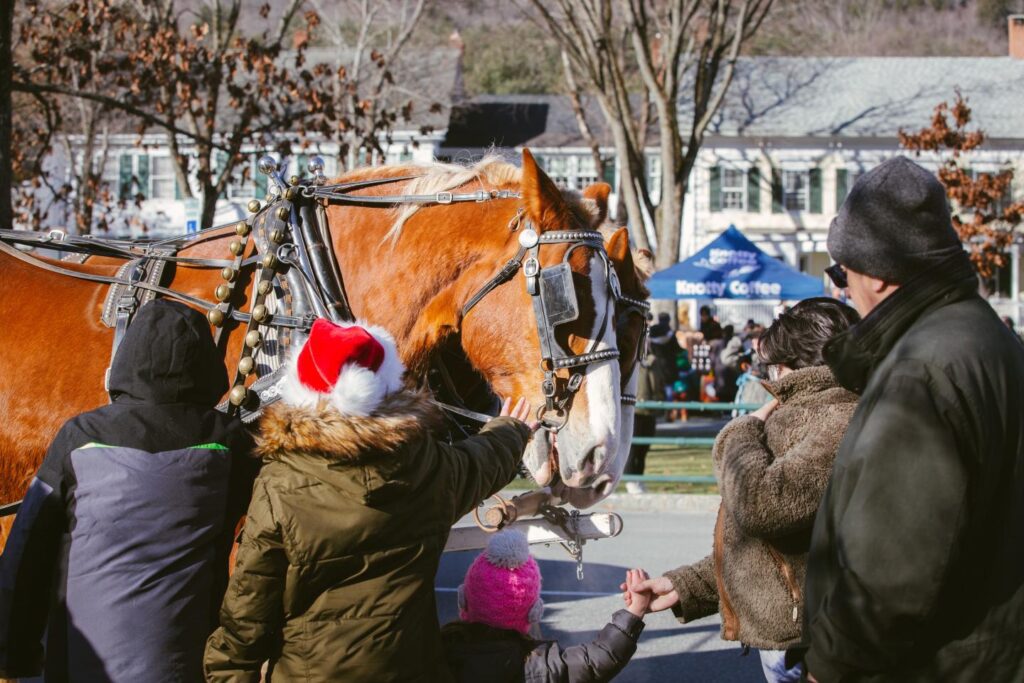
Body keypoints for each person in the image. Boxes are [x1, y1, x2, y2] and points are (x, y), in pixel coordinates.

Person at [204, 318, 534, 682]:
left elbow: (247, 612)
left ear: (304, 386)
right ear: (386, 386)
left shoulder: (281, 484)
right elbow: (480, 463)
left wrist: (229, 673)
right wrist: (512, 431)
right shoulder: (428, 466)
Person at [801, 156, 1024, 681]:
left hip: (935, 663)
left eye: (841, 272)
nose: (840, 288)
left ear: (876, 275)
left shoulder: (921, 371)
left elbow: (889, 576)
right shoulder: (983, 335)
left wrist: (827, 668)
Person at [0, 300, 258, 682]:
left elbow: (28, 549)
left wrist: (13, 655)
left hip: (80, 664)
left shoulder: (81, 436)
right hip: (183, 666)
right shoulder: (229, 443)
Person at [629, 298, 860, 683]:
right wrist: (686, 585)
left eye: (773, 366)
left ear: (793, 364)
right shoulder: (810, 412)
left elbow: (760, 506)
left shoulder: (838, 416)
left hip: (813, 642)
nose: (770, 376)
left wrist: (741, 429)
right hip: (792, 638)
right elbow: (762, 550)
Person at [442, 529, 648, 682]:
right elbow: (597, 660)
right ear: (533, 612)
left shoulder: (438, 652)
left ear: (464, 600)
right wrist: (634, 612)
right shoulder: (539, 664)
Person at [625, 344, 666, 493]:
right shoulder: (633, 361)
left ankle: (638, 479)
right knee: (634, 447)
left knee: (643, 448)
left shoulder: (654, 362)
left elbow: (660, 383)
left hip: (650, 409)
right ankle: (631, 480)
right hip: (636, 410)